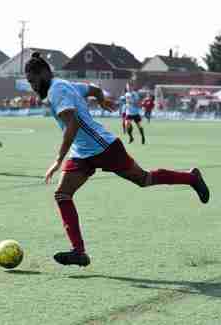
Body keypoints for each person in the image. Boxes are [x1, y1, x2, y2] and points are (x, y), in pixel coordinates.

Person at [25, 52, 210, 267]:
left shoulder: (57, 90)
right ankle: (79, 252)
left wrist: (58, 160)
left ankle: (191, 178)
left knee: (144, 179)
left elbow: (72, 125)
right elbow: (92, 89)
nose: (33, 86)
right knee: (62, 195)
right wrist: (101, 99)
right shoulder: (64, 84)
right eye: (29, 82)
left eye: (33, 81)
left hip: (103, 147)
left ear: (45, 73)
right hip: (83, 153)